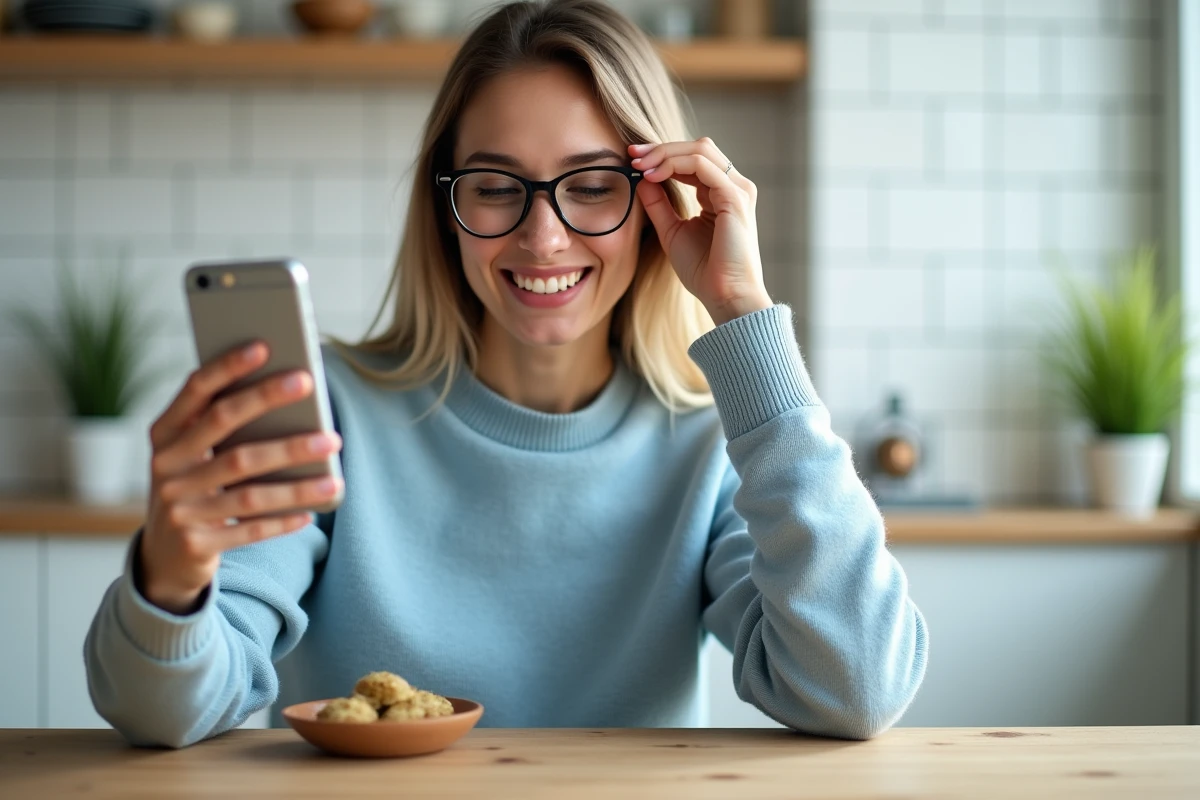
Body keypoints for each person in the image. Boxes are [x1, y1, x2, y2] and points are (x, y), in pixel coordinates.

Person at [84, 0, 927, 748]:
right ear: (445, 207)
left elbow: (855, 689)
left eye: (593, 185)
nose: (543, 238)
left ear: (662, 203)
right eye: (496, 188)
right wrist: (169, 577)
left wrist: (744, 316)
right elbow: (165, 714)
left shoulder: (710, 439)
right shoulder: (329, 409)